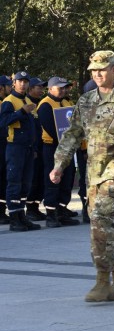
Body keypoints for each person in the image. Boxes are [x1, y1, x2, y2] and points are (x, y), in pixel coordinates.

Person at [50, 50, 114, 302]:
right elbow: (72, 135)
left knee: (99, 218)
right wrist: (59, 165)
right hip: (93, 172)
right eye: (93, 70)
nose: (97, 74)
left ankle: (101, 279)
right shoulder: (85, 101)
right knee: (108, 224)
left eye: (102, 69)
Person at [0, 71, 41, 232]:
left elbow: (34, 126)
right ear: (13, 83)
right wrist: (21, 112)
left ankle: (22, 215)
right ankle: (14, 217)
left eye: (25, 81)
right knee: (14, 182)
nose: (23, 84)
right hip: (15, 147)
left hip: (28, 148)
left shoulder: (27, 100)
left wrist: (35, 147)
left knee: (26, 183)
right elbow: (3, 121)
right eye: (20, 81)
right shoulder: (9, 101)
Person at [38, 76, 80, 227]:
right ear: (50, 89)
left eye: (64, 88)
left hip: (68, 147)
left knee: (67, 179)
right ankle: (51, 215)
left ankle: (62, 211)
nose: (63, 90)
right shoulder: (45, 105)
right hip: (53, 147)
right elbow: (51, 128)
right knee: (53, 179)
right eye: (59, 88)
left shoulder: (67, 102)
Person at [25, 76, 47, 222]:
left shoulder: (40, 103)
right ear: (31, 88)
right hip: (32, 147)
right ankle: (30, 209)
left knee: (41, 178)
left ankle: (36, 207)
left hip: (43, 146)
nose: (41, 90)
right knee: (32, 179)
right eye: (39, 87)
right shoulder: (27, 103)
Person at [0, 75, 13, 225]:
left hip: (5, 145)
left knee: (4, 179)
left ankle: (1, 211)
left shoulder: (5, 102)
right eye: (8, 85)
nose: (10, 88)